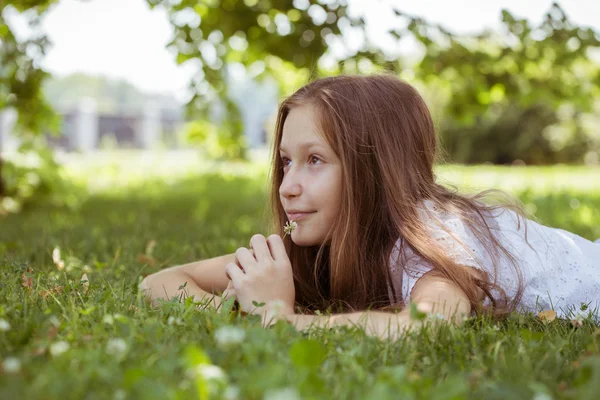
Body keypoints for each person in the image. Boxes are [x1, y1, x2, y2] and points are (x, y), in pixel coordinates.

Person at [139, 74, 600, 340]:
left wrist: (280, 319)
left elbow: (431, 325)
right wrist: (240, 311)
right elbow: (160, 282)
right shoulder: (315, 244)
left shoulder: (435, 233)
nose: (287, 186)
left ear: (374, 171)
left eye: (314, 160)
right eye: (285, 162)